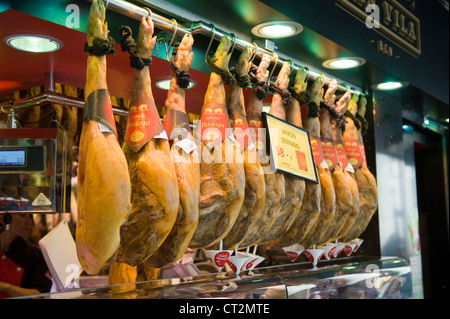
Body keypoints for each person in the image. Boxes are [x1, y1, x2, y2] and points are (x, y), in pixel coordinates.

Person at [0, 213, 52, 298]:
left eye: (30, 216)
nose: (29, 222)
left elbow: (41, 294)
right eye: (22, 215)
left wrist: (6, 287)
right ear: (2, 218)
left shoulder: (34, 255)